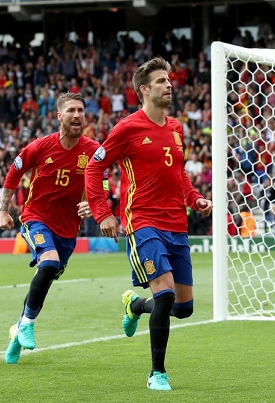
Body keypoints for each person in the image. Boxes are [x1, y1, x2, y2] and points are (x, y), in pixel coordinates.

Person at [84, 57, 213, 391]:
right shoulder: (127, 128)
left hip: (176, 224)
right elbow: (94, 168)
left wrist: (194, 198)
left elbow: (179, 173)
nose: (168, 85)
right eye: (160, 81)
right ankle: (158, 373)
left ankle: (136, 305)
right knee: (167, 292)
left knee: (183, 309)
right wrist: (103, 212)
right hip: (142, 221)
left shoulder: (176, 127)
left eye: (169, 80)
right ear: (144, 89)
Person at [0, 92, 102, 364]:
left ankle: (18, 329)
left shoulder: (92, 150)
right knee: (49, 263)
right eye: (71, 110)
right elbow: (14, 172)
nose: (77, 115)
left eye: (81, 110)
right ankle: (29, 324)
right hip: (36, 217)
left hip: (68, 229)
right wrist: (3, 209)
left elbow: (101, 182)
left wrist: (93, 203)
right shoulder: (40, 147)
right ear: (59, 116)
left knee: (47, 276)